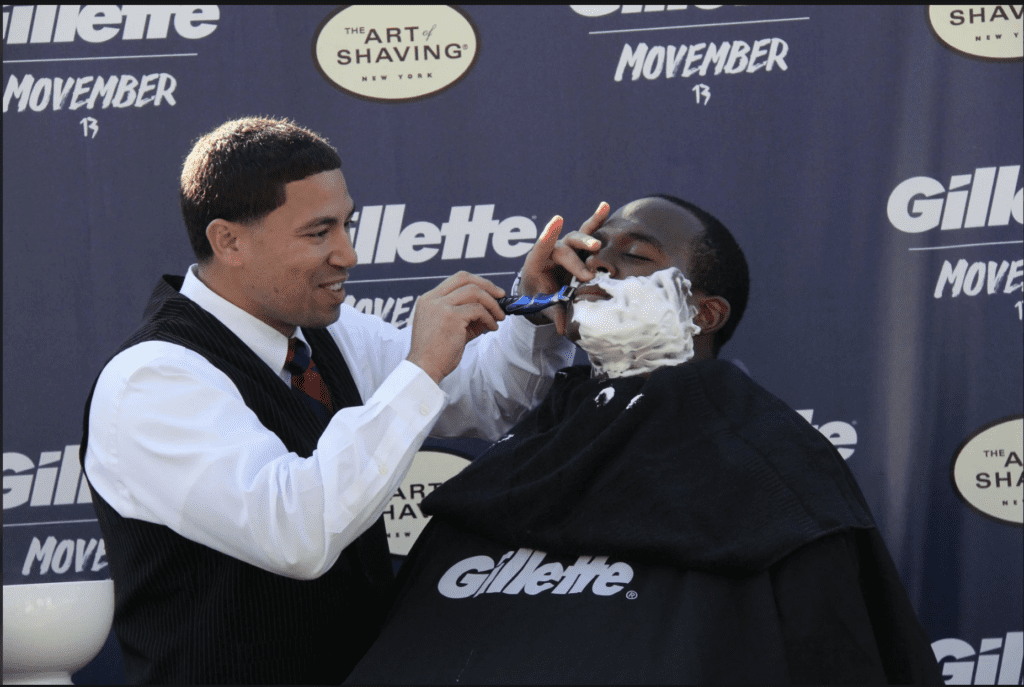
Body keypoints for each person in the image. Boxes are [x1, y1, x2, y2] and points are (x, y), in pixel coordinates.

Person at [79, 116, 605, 684]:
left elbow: (486, 399)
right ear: (228, 240)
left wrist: (538, 312)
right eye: (319, 232)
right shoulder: (152, 380)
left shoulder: (327, 334)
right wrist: (421, 366)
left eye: (346, 225)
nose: (348, 255)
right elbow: (297, 534)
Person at [344, 195, 945, 684]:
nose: (599, 266)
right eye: (593, 254)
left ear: (704, 315)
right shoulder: (539, 445)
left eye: (635, 258)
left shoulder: (774, 467)